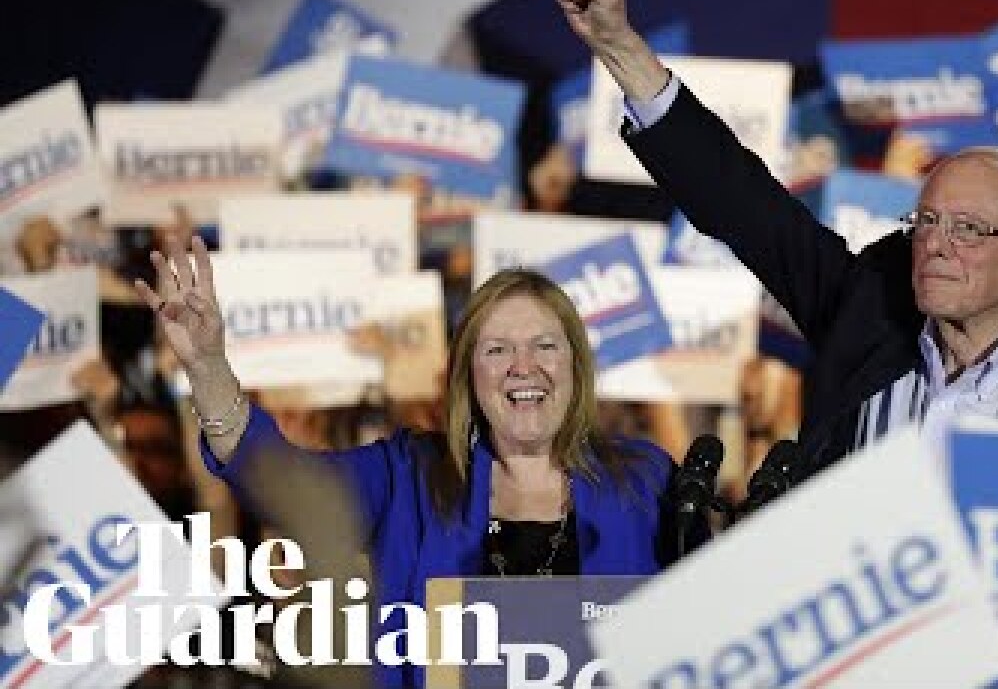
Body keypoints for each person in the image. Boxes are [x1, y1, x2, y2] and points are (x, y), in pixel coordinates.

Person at [556, 0, 998, 479]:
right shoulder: (867, 314)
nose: (936, 244)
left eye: (969, 229)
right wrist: (620, 47)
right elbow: (742, 204)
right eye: (927, 220)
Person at [134, 235, 687, 688]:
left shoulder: (643, 481)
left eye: (545, 345)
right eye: (497, 350)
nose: (524, 367)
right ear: (469, 376)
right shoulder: (410, 476)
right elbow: (277, 478)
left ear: (576, 365)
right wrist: (207, 367)